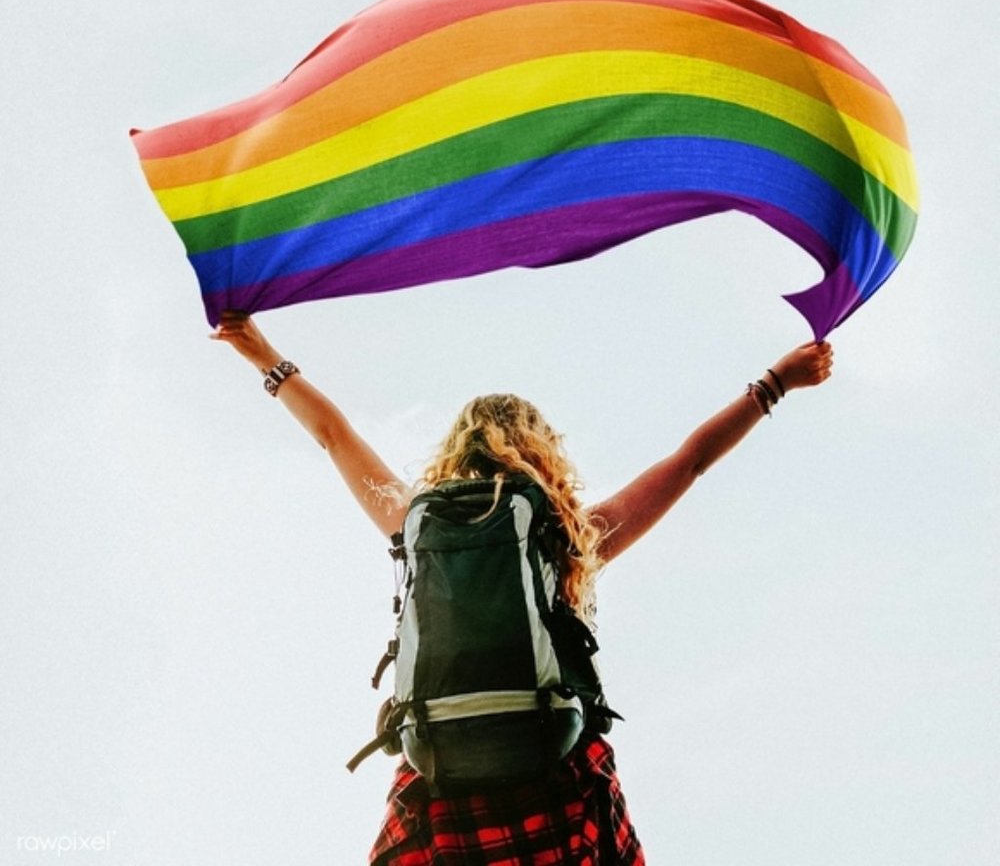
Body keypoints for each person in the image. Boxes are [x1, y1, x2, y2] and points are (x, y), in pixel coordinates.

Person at [211, 311, 834, 864]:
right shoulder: (568, 535)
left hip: (438, 787)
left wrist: (264, 355)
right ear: (543, 454)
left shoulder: (415, 520)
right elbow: (690, 461)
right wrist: (775, 382)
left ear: (454, 453)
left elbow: (333, 436)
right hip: (558, 780)